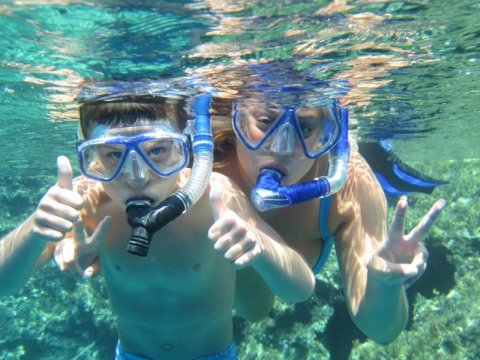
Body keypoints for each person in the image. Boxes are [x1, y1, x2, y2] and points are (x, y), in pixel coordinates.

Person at [0, 94, 316, 359]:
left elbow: (300, 289)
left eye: (157, 151)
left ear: (186, 147)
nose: (137, 176)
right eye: (113, 155)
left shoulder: (213, 194)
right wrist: (34, 230)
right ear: (92, 155)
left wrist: (260, 248)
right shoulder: (88, 199)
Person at [210, 92, 446, 345]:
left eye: (304, 127)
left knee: (257, 309)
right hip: (239, 297)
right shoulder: (204, 163)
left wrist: (384, 284)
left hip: (263, 286)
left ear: (328, 131)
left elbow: (383, 332)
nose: (282, 147)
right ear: (237, 118)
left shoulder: (350, 183)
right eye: (266, 121)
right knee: (255, 310)